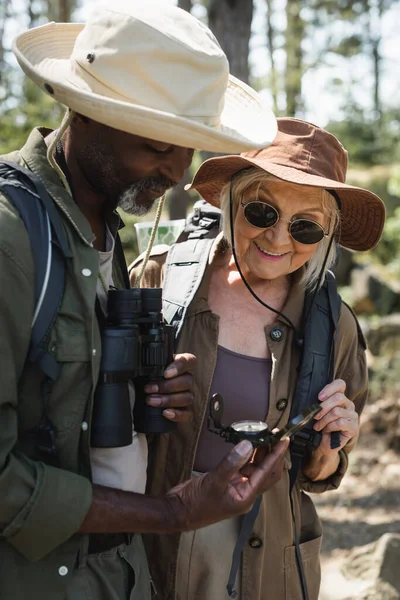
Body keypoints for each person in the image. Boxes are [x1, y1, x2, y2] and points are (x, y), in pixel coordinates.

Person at [0, 2, 287, 599]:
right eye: (159, 145)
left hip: (116, 575)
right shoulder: (12, 237)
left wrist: (141, 393)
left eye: (190, 148)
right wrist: (172, 514)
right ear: (86, 113)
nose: (179, 172)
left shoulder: (107, 232)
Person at [129, 118, 386, 600]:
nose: (279, 239)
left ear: (327, 236)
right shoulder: (157, 280)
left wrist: (330, 448)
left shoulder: (334, 328)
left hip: (270, 563)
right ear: (231, 203)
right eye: (262, 212)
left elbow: (317, 476)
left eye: (306, 226)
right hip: (153, 542)